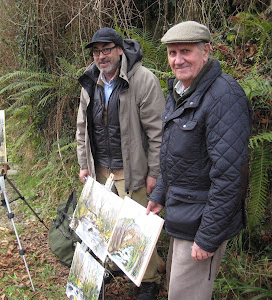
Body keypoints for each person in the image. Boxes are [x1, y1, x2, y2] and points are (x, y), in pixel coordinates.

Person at [147, 21, 252, 299]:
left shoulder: (224, 96)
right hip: (181, 215)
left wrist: (207, 237)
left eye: (186, 51)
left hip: (201, 222)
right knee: (176, 291)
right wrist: (160, 194)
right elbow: (173, 154)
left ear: (206, 51)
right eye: (172, 53)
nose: (178, 60)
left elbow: (231, 175)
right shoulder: (181, 92)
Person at [76, 27, 165, 299]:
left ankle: (149, 280)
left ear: (119, 50)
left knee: (137, 229)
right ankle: (111, 267)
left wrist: (154, 172)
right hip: (101, 169)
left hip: (132, 170)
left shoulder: (143, 80)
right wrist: (84, 164)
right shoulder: (90, 81)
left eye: (106, 50)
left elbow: (157, 132)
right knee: (102, 226)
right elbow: (82, 127)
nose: (101, 56)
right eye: (96, 51)